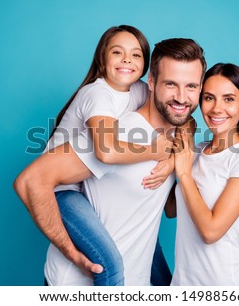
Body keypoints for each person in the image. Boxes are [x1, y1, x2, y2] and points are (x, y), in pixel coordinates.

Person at [13, 37, 207, 285]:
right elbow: (31, 180)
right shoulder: (118, 135)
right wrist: (70, 252)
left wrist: (183, 167)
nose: (181, 97)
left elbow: (170, 209)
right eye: (171, 84)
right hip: (79, 284)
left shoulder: (178, 135)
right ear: (151, 82)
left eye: (191, 86)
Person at [39, 25, 174, 286]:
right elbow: (106, 150)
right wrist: (154, 151)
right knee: (110, 265)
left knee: (153, 259)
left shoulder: (138, 90)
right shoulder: (97, 93)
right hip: (63, 190)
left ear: (145, 64)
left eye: (135, 55)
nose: (127, 60)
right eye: (117, 52)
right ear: (102, 58)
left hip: (90, 188)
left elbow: (181, 114)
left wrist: (172, 160)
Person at [170, 63, 239, 285]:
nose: (216, 108)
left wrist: (184, 174)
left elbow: (211, 231)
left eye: (229, 99)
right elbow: (171, 209)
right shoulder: (195, 151)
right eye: (209, 98)